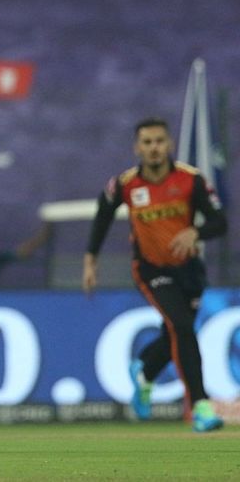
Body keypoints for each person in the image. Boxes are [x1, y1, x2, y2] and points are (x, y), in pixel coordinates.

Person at [82, 117, 226, 432]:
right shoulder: (126, 184)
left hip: (189, 270)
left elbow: (220, 222)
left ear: (169, 144)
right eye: (147, 143)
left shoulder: (192, 180)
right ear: (137, 148)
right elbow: (103, 215)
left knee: (175, 331)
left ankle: (145, 371)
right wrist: (91, 259)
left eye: (159, 141)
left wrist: (195, 231)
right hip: (150, 269)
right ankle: (200, 406)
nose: (154, 148)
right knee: (183, 327)